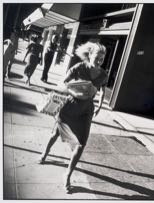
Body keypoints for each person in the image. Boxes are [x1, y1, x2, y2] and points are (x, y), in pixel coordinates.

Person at [38, 41, 108, 193]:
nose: (99, 61)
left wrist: (100, 105)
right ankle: (45, 152)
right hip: (70, 105)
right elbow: (63, 82)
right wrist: (75, 91)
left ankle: (67, 174)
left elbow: (102, 90)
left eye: (102, 59)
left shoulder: (103, 74)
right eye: (97, 57)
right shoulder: (79, 67)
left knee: (81, 143)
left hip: (86, 110)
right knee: (56, 133)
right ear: (90, 55)